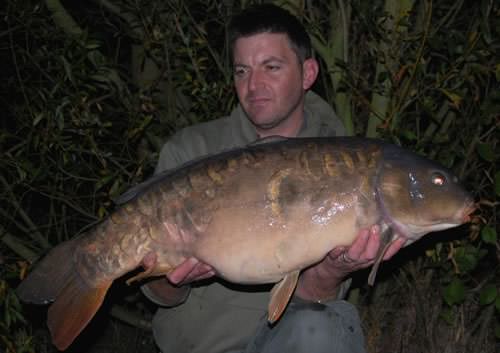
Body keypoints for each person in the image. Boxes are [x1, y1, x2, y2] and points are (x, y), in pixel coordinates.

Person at [141, 4, 405, 353]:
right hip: (198, 347)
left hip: (285, 343)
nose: (254, 86)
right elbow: (157, 293)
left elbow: (314, 299)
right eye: (242, 71)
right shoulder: (192, 151)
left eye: (272, 67)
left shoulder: (345, 167)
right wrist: (171, 280)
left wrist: (330, 272)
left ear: (308, 73)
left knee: (321, 326)